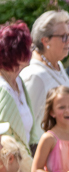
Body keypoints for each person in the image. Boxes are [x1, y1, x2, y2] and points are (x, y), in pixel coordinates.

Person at [21, 10, 69, 138]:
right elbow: (25, 129)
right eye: (63, 37)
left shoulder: (57, 67)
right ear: (45, 41)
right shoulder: (34, 75)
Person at [0, 22, 42, 159]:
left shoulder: (19, 81)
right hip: (9, 164)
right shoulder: (2, 88)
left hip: (24, 162)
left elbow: (30, 133)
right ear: (14, 52)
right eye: (28, 48)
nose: (32, 51)